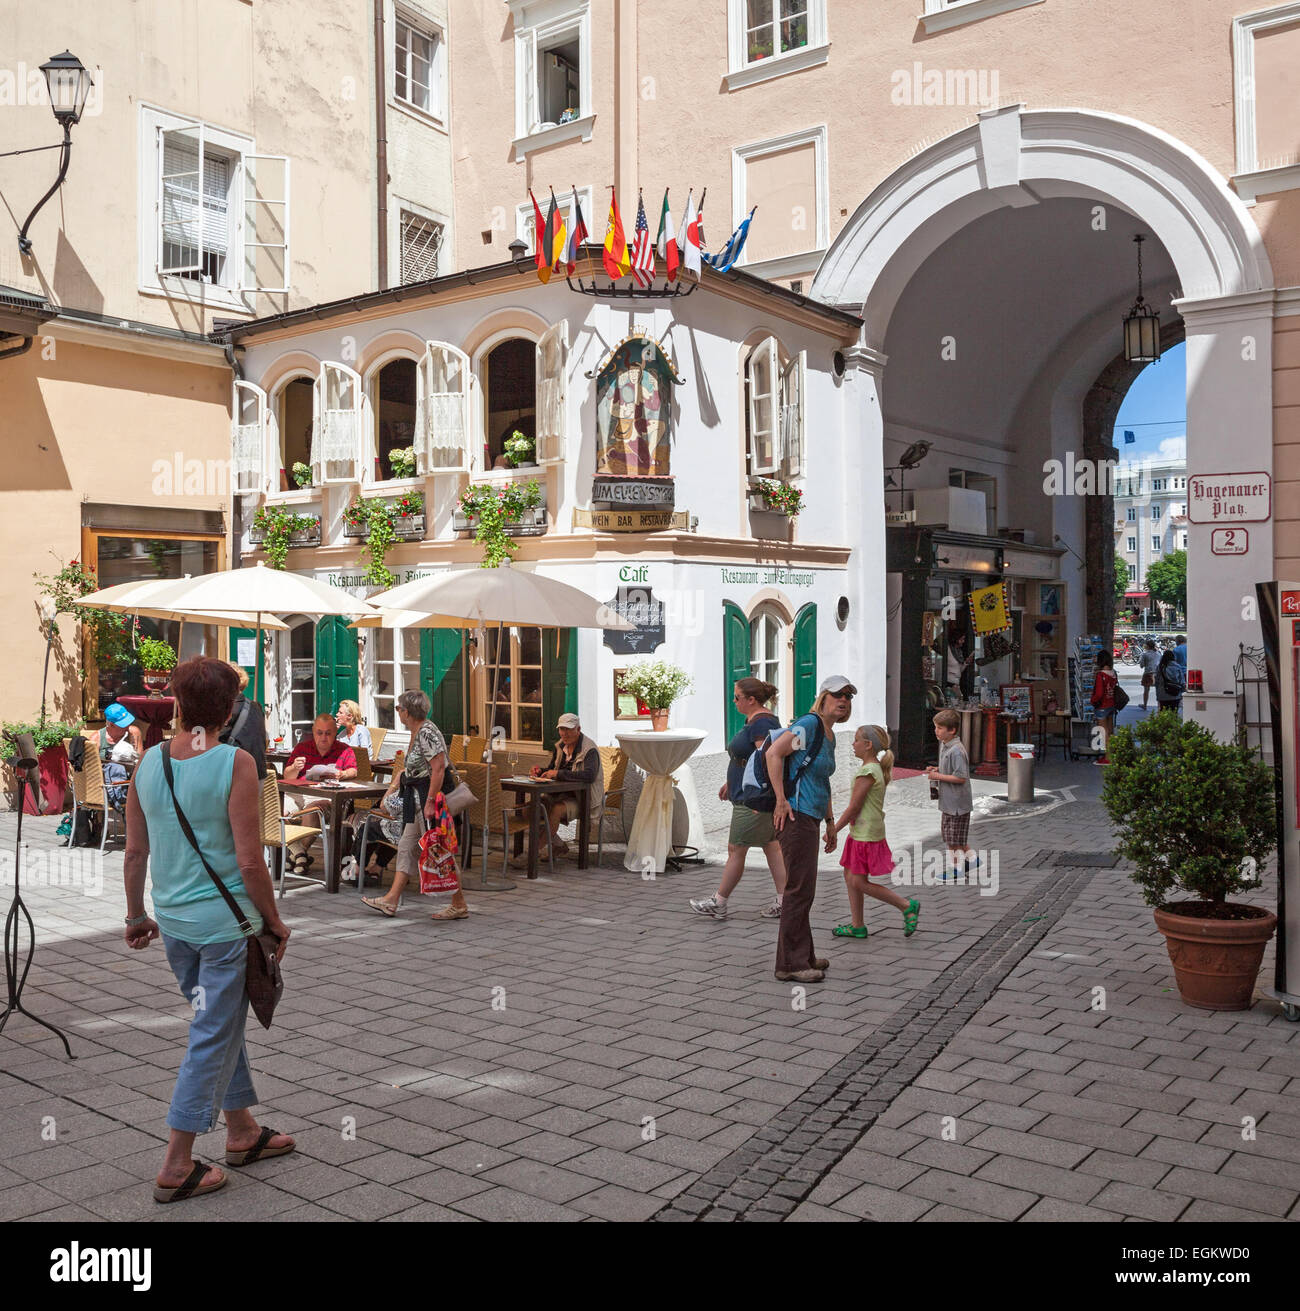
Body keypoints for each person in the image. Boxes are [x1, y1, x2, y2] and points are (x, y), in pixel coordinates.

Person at [123, 656, 293, 1204]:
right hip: (226, 926)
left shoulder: (148, 764)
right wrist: (274, 919)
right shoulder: (234, 762)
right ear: (227, 710)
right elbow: (250, 861)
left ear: (177, 704)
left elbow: (134, 851)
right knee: (212, 1034)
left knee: (218, 1022)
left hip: (174, 923)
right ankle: (176, 1162)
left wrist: (134, 915)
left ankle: (241, 1132)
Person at [769, 675, 856, 984]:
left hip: (813, 816)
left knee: (804, 889)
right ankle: (790, 964)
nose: (843, 701)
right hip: (796, 814)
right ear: (823, 698)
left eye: (848, 697)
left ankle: (803, 954)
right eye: (838, 695)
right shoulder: (809, 725)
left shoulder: (827, 733)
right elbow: (774, 753)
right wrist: (781, 800)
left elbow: (822, 781)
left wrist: (831, 823)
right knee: (798, 889)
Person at [362, 689, 468, 922]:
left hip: (426, 800)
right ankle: (391, 900)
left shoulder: (427, 732)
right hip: (416, 800)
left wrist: (430, 801)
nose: (397, 712)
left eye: (399, 708)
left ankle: (459, 903)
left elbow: (439, 769)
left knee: (439, 851)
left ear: (407, 711)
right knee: (406, 846)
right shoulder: (417, 730)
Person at [690, 678, 786, 920]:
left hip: (753, 799)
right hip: (746, 792)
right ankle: (785, 901)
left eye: (737, 697)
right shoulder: (755, 720)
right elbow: (749, 760)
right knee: (771, 846)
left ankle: (719, 902)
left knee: (736, 849)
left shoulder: (762, 723)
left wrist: (766, 798)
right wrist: (731, 783)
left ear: (751, 700)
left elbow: (768, 761)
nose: (733, 702)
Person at [831, 725, 919, 939]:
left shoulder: (867, 771)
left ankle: (906, 905)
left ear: (868, 745)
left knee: (857, 881)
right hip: (864, 830)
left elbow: (854, 807)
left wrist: (834, 829)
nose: (853, 744)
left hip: (865, 833)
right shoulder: (876, 768)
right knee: (850, 875)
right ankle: (857, 925)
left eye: (856, 740)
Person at [521, 712, 604, 865]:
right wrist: (540, 771)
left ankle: (532, 853)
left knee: (556, 810)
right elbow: (553, 769)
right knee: (529, 809)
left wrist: (558, 774)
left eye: (568, 729)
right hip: (558, 795)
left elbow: (589, 776)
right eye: (562, 729)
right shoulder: (560, 746)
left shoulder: (589, 749)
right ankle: (558, 845)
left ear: (578, 729)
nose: (564, 734)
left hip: (583, 799)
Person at [282, 713, 357, 873]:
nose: (323, 737)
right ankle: (300, 854)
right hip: (297, 793)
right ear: (313, 731)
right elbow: (287, 775)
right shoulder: (302, 747)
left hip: (324, 795)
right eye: (319, 733)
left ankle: (297, 855)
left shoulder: (344, 750)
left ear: (335, 733)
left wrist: (342, 774)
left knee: (313, 810)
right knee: (277, 809)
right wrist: (295, 767)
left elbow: (353, 771)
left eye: (328, 733)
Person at [928, 708, 975, 877]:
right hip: (949, 803)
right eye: (935, 727)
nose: (936, 731)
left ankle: (956, 870)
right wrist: (937, 769)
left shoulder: (956, 750)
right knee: (954, 838)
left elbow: (960, 777)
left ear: (952, 730)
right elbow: (951, 770)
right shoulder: (945, 746)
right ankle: (973, 861)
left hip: (957, 805)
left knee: (953, 841)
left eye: (940, 728)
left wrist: (938, 775)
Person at [219, 663, 267, 778]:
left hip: (236, 773)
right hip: (258, 772)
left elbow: (214, 739)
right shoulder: (256, 706)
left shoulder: (227, 708)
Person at [100, 702, 144, 810]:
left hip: (133, 782)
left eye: (128, 722)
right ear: (111, 724)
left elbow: (140, 762)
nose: (127, 726)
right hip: (109, 786)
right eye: (123, 724)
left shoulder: (134, 732)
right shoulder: (97, 739)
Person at [1089, 650, 1119, 762]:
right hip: (1111, 704)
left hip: (1102, 706)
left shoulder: (1100, 675)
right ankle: (1111, 755)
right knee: (1110, 732)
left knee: (1103, 732)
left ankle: (1108, 758)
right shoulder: (1113, 673)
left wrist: (1092, 700)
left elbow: (1099, 693)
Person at [1155, 647, 1186, 717]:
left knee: (1163, 714)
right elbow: (1182, 681)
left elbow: (1157, 682)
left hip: (1162, 694)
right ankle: (1173, 727)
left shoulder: (1160, 667)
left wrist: (1158, 695)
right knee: (1174, 714)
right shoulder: (1178, 667)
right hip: (1175, 694)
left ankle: (1164, 727)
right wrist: (1182, 693)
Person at [1138, 639, 1160, 711]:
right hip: (1157, 673)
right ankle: (1159, 706)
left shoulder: (1145, 654)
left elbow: (1141, 665)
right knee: (1158, 691)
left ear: (1147, 646)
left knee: (1146, 691)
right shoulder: (1158, 654)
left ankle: (1145, 705)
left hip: (1148, 673)